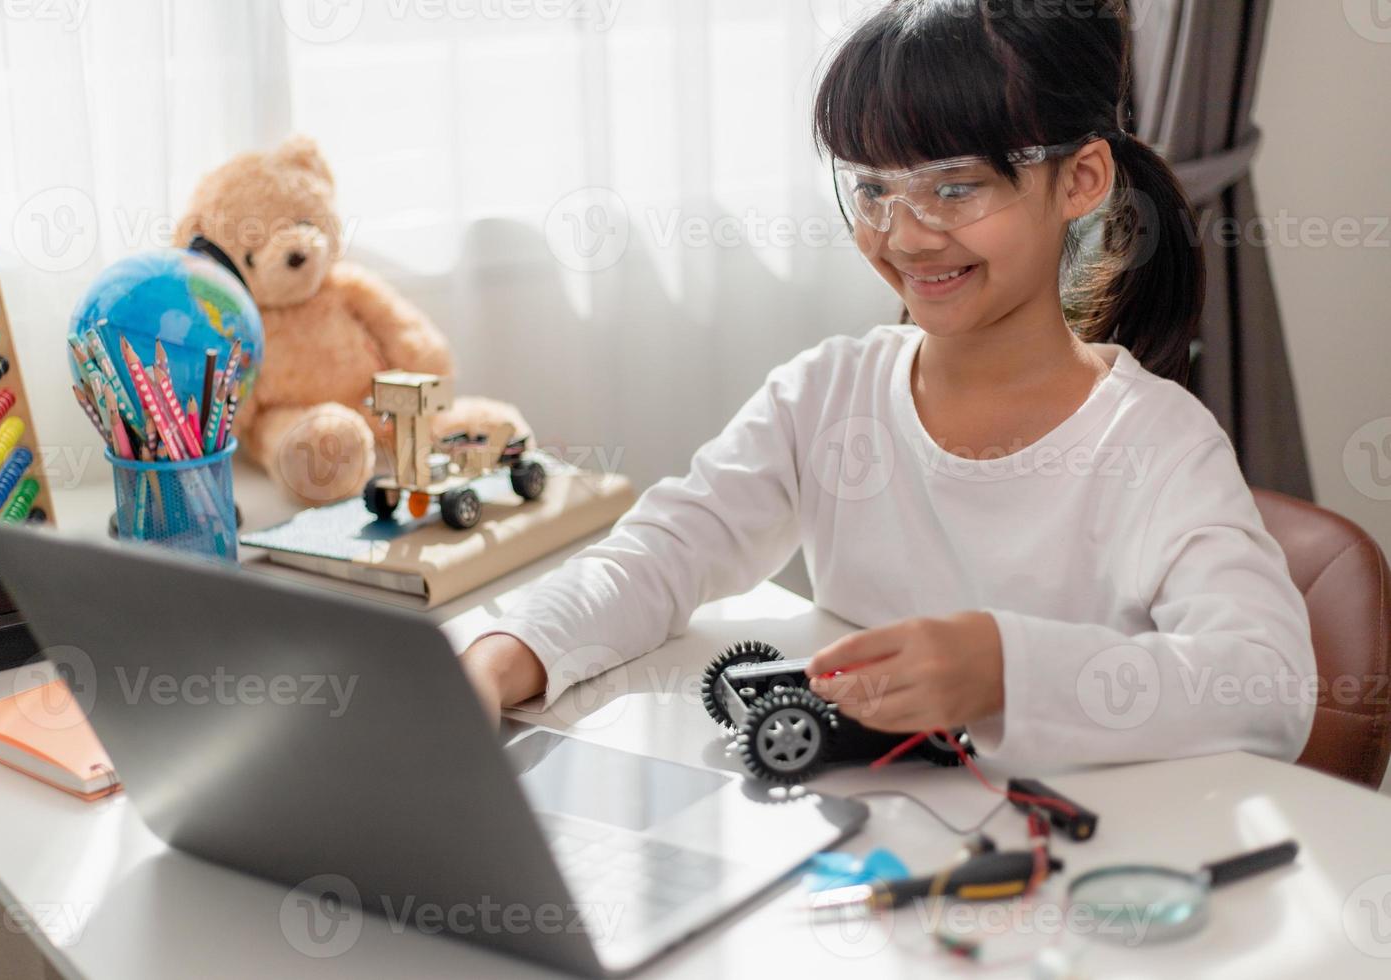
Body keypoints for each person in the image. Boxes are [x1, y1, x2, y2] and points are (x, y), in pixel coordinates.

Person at [460, 0, 1315, 770]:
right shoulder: (826, 394)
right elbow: (662, 552)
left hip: (1066, 866)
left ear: (1081, 180)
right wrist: (502, 653)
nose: (904, 235)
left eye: (955, 186)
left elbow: (1267, 687)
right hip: (868, 841)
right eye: (871, 188)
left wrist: (1004, 670)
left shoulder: (1155, 442)